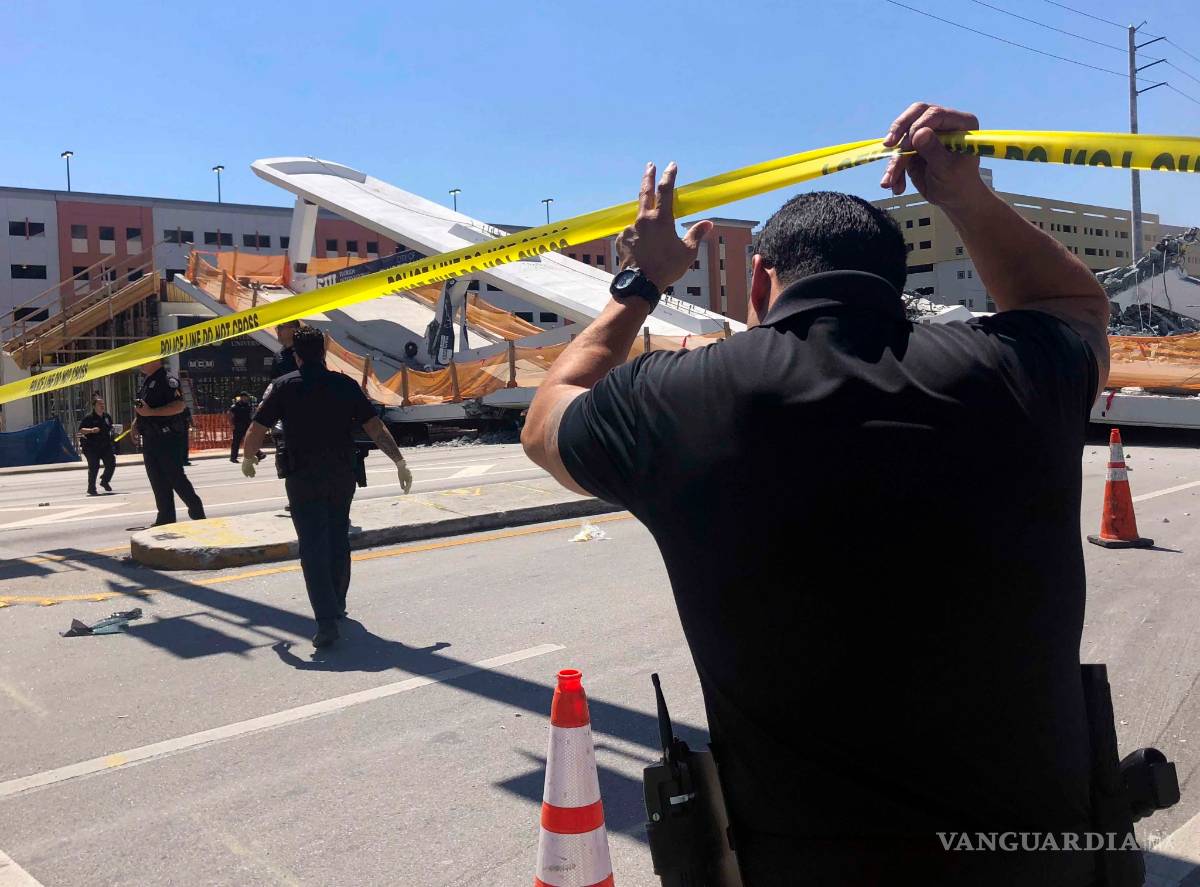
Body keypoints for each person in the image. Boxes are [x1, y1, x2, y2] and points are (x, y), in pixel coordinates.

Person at [522, 103, 1110, 885]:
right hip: (1040, 857)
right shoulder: (1014, 372)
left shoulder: (684, 397)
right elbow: (1073, 308)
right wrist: (966, 196)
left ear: (762, 278)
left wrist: (640, 284)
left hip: (806, 862)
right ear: (896, 284)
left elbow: (546, 419)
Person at [239, 326, 414, 648]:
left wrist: (248, 457)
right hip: (341, 474)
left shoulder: (282, 386)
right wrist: (399, 461)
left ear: (295, 354)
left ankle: (326, 620)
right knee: (337, 539)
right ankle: (338, 604)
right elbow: (374, 427)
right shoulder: (344, 384)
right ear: (324, 353)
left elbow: (257, 427)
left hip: (303, 476)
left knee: (312, 546)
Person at [135, 359, 206, 526]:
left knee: (175, 476)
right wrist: (136, 423)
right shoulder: (147, 382)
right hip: (150, 438)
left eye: (144, 359)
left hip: (166, 437)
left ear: (155, 360)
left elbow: (179, 405)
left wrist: (150, 413)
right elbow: (144, 407)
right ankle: (165, 517)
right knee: (157, 479)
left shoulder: (168, 380)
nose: (141, 363)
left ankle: (196, 509)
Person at [79, 395, 116, 496]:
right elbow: (81, 430)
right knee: (94, 466)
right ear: (94, 406)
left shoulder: (107, 416)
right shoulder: (89, 417)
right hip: (92, 446)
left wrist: (114, 430)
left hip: (105, 445)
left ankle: (104, 480)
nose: (102, 406)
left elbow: (110, 427)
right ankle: (91, 488)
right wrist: (91, 430)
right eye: (100, 404)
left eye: (103, 404)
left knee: (111, 463)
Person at [228, 391, 253, 463]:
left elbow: (249, 416)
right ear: (242, 397)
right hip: (238, 426)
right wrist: (231, 425)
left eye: (247, 397)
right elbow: (229, 415)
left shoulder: (247, 405)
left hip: (247, 426)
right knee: (236, 442)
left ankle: (258, 454)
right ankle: (233, 457)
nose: (247, 398)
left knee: (250, 441)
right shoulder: (235, 406)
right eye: (246, 397)